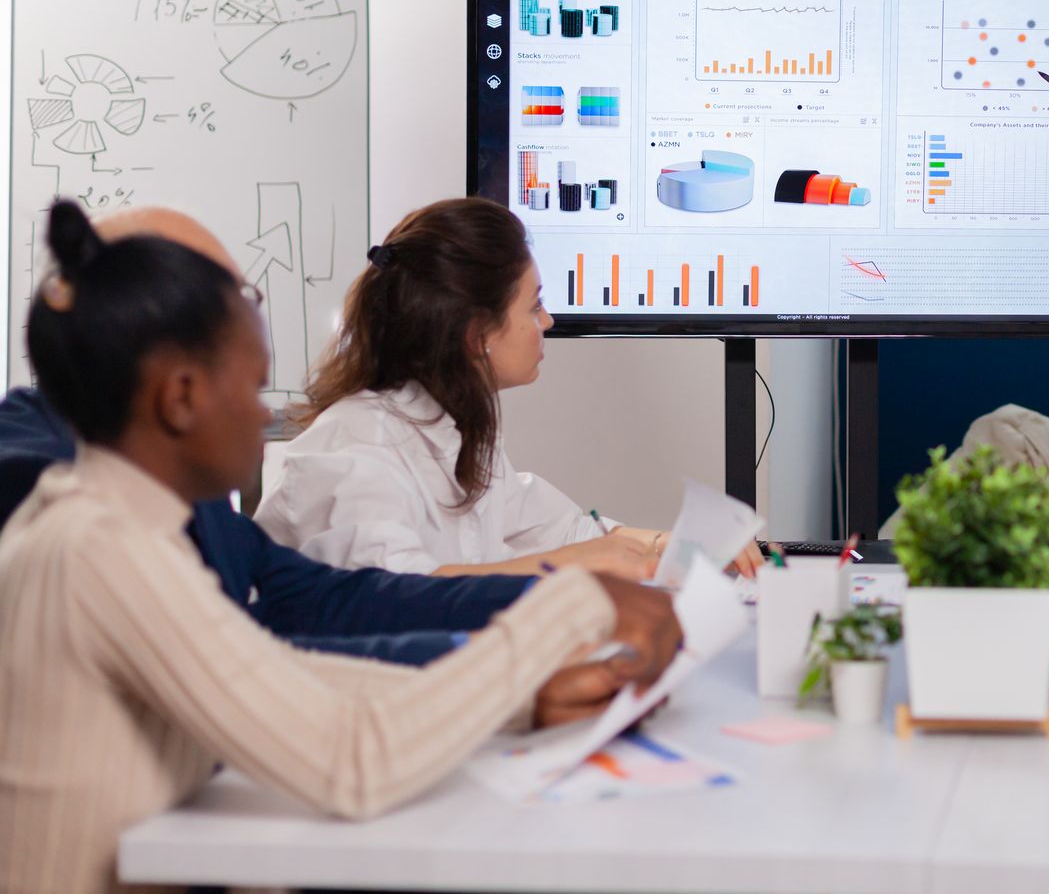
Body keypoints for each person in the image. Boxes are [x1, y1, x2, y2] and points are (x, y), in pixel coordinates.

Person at [0, 201, 683, 894]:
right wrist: (567, 611)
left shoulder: (119, 524)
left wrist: (531, 693)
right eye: (252, 382)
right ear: (179, 397)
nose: (270, 413)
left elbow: (290, 666)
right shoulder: (106, 554)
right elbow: (353, 760)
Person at [0, 206, 535, 665]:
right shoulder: (50, 495)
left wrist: (550, 602)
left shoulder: (167, 478)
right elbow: (251, 664)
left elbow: (328, 601)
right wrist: (525, 653)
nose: (266, 418)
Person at [256, 198, 762, 579]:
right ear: (478, 336)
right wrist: (578, 563)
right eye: (533, 305)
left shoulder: (450, 430)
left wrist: (677, 546)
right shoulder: (358, 448)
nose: (548, 319)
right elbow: (399, 595)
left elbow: (565, 532)